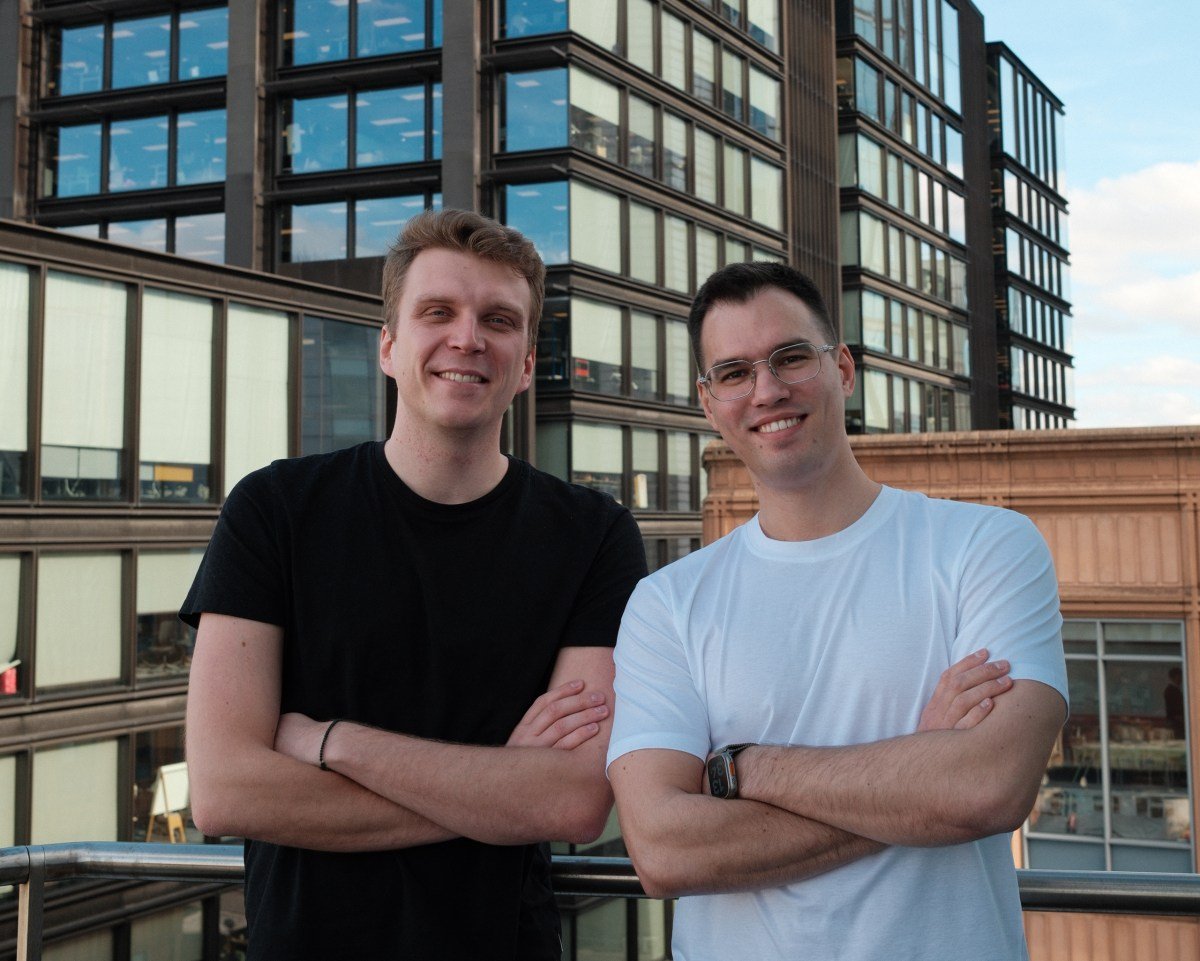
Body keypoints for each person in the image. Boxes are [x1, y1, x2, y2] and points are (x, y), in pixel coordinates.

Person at [182, 209, 650, 959]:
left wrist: (331, 740)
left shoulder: (592, 535)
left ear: (527, 363)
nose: (468, 338)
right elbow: (227, 790)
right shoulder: (274, 511)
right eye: (439, 312)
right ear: (390, 347)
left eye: (499, 320)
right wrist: (501, 787)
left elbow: (572, 799)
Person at [607, 262, 1068, 961]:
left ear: (843, 369)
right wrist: (918, 772)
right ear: (708, 402)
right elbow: (665, 852)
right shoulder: (668, 602)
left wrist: (743, 769)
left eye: (791, 357)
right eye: (733, 372)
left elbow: (987, 787)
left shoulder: (985, 546)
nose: (767, 389)